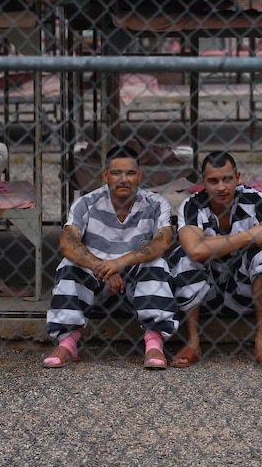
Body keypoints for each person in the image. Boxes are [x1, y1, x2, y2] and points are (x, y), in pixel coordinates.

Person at [42, 145, 178, 370]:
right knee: (68, 265)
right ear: (105, 174)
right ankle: (67, 343)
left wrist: (119, 263)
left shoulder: (156, 204)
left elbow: (162, 242)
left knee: (157, 263)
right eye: (116, 173)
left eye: (130, 173)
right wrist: (102, 268)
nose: (123, 179)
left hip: (135, 278)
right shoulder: (86, 203)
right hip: (97, 279)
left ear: (140, 175)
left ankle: (154, 344)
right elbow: (67, 242)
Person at [170, 151, 262, 369]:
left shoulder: (252, 198)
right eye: (213, 181)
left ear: (237, 177)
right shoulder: (192, 205)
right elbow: (194, 251)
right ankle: (193, 342)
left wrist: (213, 245)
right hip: (204, 294)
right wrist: (250, 236)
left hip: (243, 289)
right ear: (203, 182)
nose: (221, 187)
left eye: (227, 179)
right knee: (186, 259)